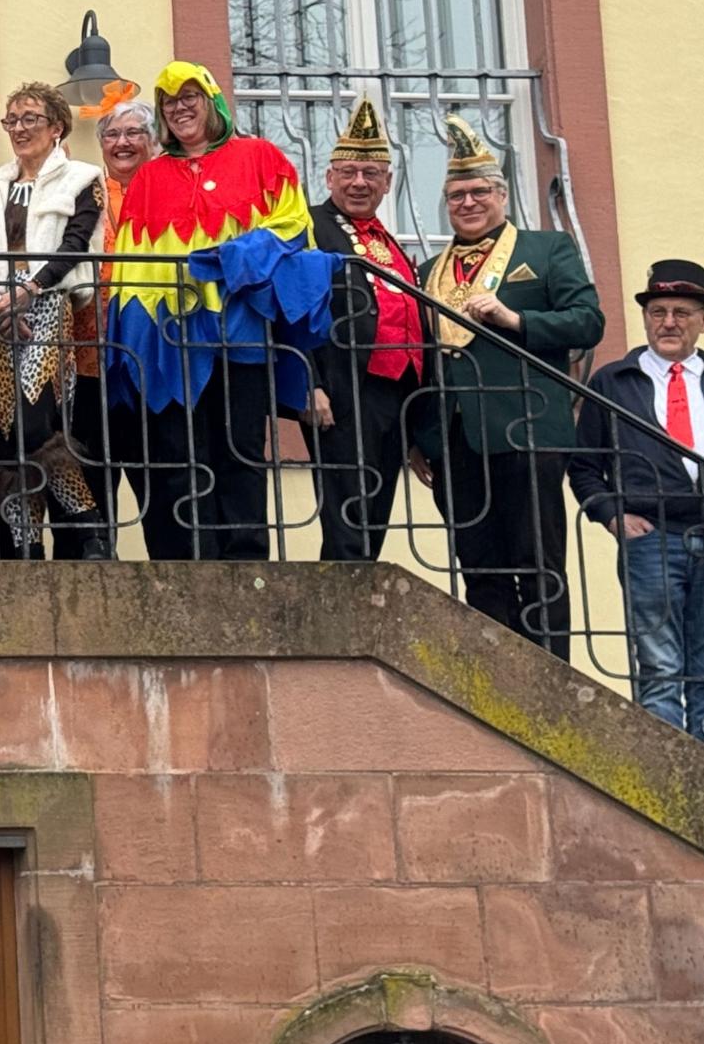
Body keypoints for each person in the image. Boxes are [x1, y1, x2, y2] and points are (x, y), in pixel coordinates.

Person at [105, 61, 339, 559]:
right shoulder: (149, 178)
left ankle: (246, 565)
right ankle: (192, 566)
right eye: (170, 101)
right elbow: (130, 267)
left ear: (213, 101)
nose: (180, 107)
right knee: (178, 454)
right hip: (171, 340)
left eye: (190, 96)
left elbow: (295, 226)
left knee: (241, 451)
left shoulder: (261, 157)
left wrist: (234, 259)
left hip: (242, 333)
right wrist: (130, 342)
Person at [412, 114, 603, 657]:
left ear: (501, 194)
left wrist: (518, 321)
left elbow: (589, 322)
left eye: (478, 192)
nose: (468, 203)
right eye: (456, 196)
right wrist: (420, 436)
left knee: (538, 560)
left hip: (528, 428)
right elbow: (424, 358)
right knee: (479, 564)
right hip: (454, 440)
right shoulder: (429, 269)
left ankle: (552, 679)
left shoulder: (545, 250)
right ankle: (500, 678)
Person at [0, 81, 107, 559]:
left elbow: (76, 243)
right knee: (4, 435)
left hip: (47, 304)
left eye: (31, 119)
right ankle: (25, 544)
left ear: (57, 127)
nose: (20, 129)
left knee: (33, 424)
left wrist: (30, 289)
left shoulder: (83, 178)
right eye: (13, 121)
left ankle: (88, 528)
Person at [570, 260, 704, 735]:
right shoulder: (613, 381)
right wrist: (611, 516)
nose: (669, 322)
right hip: (652, 539)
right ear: (646, 317)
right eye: (659, 311)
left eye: (682, 312)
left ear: (700, 319)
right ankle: (667, 786)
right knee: (659, 670)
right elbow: (584, 464)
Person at [302, 95, 424, 562]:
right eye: (348, 172)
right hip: (341, 389)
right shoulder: (311, 226)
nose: (359, 182)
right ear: (329, 177)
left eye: (370, 174)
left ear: (387, 182)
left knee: (375, 514)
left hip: (394, 395)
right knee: (346, 516)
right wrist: (308, 385)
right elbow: (294, 312)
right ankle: (341, 612)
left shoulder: (388, 240)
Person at [93, 97, 160, 546]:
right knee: (92, 475)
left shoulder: (168, 185)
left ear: (153, 142)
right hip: (91, 349)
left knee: (158, 476)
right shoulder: (86, 189)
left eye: (133, 133)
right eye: (113, 135)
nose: (122, 143)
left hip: (152, 351)